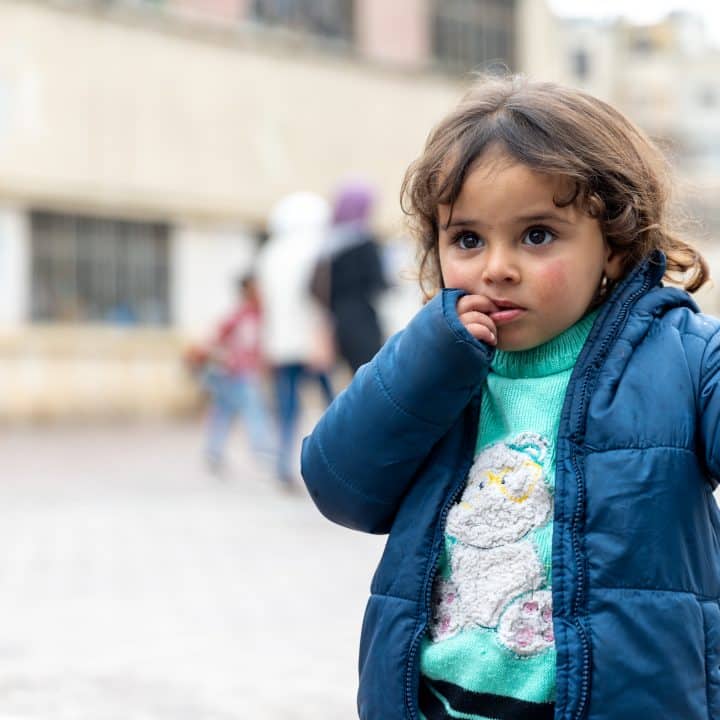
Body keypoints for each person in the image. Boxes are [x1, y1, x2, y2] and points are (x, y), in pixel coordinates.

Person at [300, 74, 720, 720]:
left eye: (537, 235)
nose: (497, 266)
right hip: (436, 704)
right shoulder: (439, 365)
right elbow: (338, 483)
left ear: (611, 244)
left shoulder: (682, 354)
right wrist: (426, 361)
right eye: (468, 240)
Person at [256, 191, 335, 486]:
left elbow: (267, 307)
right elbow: (318, 301)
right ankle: (340, 461)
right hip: (309, 342)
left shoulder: (269, 254)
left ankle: (282, 464)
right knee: (333, 408)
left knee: (287, 407)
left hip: (279, 345)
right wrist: (323, 339)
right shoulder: (316, 250)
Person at [311, 180, 387, 372]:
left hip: (338, 323)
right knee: (370, 374)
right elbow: (379, 284)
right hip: (363, 322)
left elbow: (312, 287)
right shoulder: (365, 244)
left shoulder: (327, 244)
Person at [203, 272, 274, 474]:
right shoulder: (240, 315)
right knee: (252, 410)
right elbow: (217, 335)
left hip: (244, 372)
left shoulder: (258, 315)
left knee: (226, 412)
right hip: (236, 373)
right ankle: (260, 448)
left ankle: (214, 451)